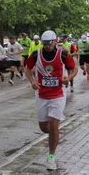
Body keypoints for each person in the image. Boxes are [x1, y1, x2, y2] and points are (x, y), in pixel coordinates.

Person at [25, 30, 77, 170]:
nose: (47, 46)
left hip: (58, 94)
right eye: (44, 44)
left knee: (54, 126)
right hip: (42, 95)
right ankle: (55, 135)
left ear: (55, 41)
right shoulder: (37, 54)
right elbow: (27, 68)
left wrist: (69, 78)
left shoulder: (63, 54)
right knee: (44, 128)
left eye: (49, 43)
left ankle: (51, 157)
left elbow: (74, 69)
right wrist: (32, 81)